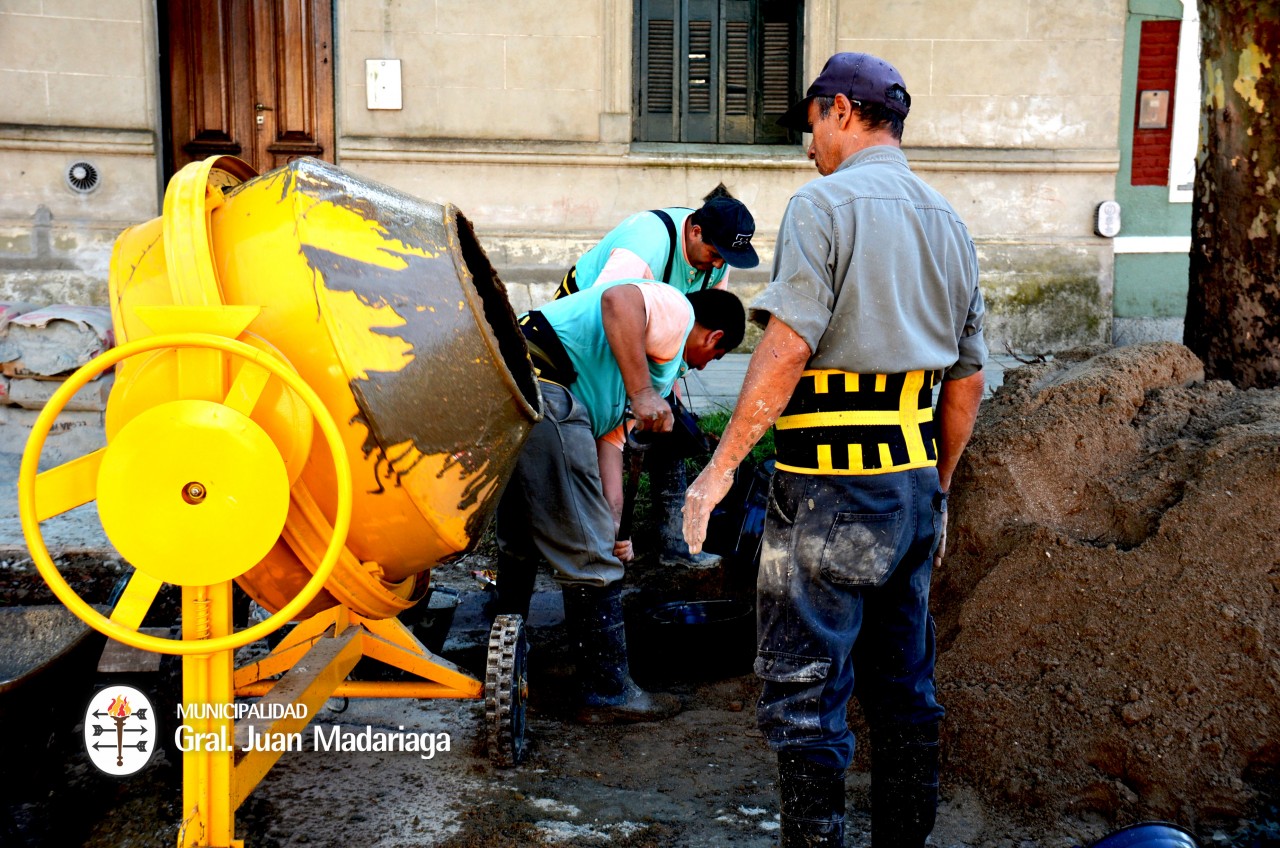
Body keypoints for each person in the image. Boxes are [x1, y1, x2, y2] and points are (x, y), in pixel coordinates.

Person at [680, 52, 987, 847]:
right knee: (903, 689)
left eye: (813, 122)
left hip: (826, 490)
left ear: (842, 110)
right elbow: (966, 383)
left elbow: (785, 350)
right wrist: (939, 486)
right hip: (913, 483)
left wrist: (716, 473)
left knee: (805, 693)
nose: (809, 142)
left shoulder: (823, 206)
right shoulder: (949, 222)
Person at [493, 281, 746, 724]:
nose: (704, 367)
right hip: (543, 384)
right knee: (588, 558)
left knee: (522, 534)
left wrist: (614, 535)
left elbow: (607, 466)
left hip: (522, 386)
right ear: (714, 339)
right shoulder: (678, 312)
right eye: (714, 359)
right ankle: (606, 692)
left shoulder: (617, 384)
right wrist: (643, 391)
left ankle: (503, 658)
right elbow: (617, 298)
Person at [554, 186, 761, 569]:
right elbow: (609, 311)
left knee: (669, 427)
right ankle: (580, 540)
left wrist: (664, 394)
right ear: (695, 231)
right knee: (580, 446)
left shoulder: (717, 260)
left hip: (642, 341)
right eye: (714, 255)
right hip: (579, 348)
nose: (717, 267)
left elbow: (699, 327)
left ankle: (670, 543)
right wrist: (640, 393)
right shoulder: (647, 242)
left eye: (724, 261)